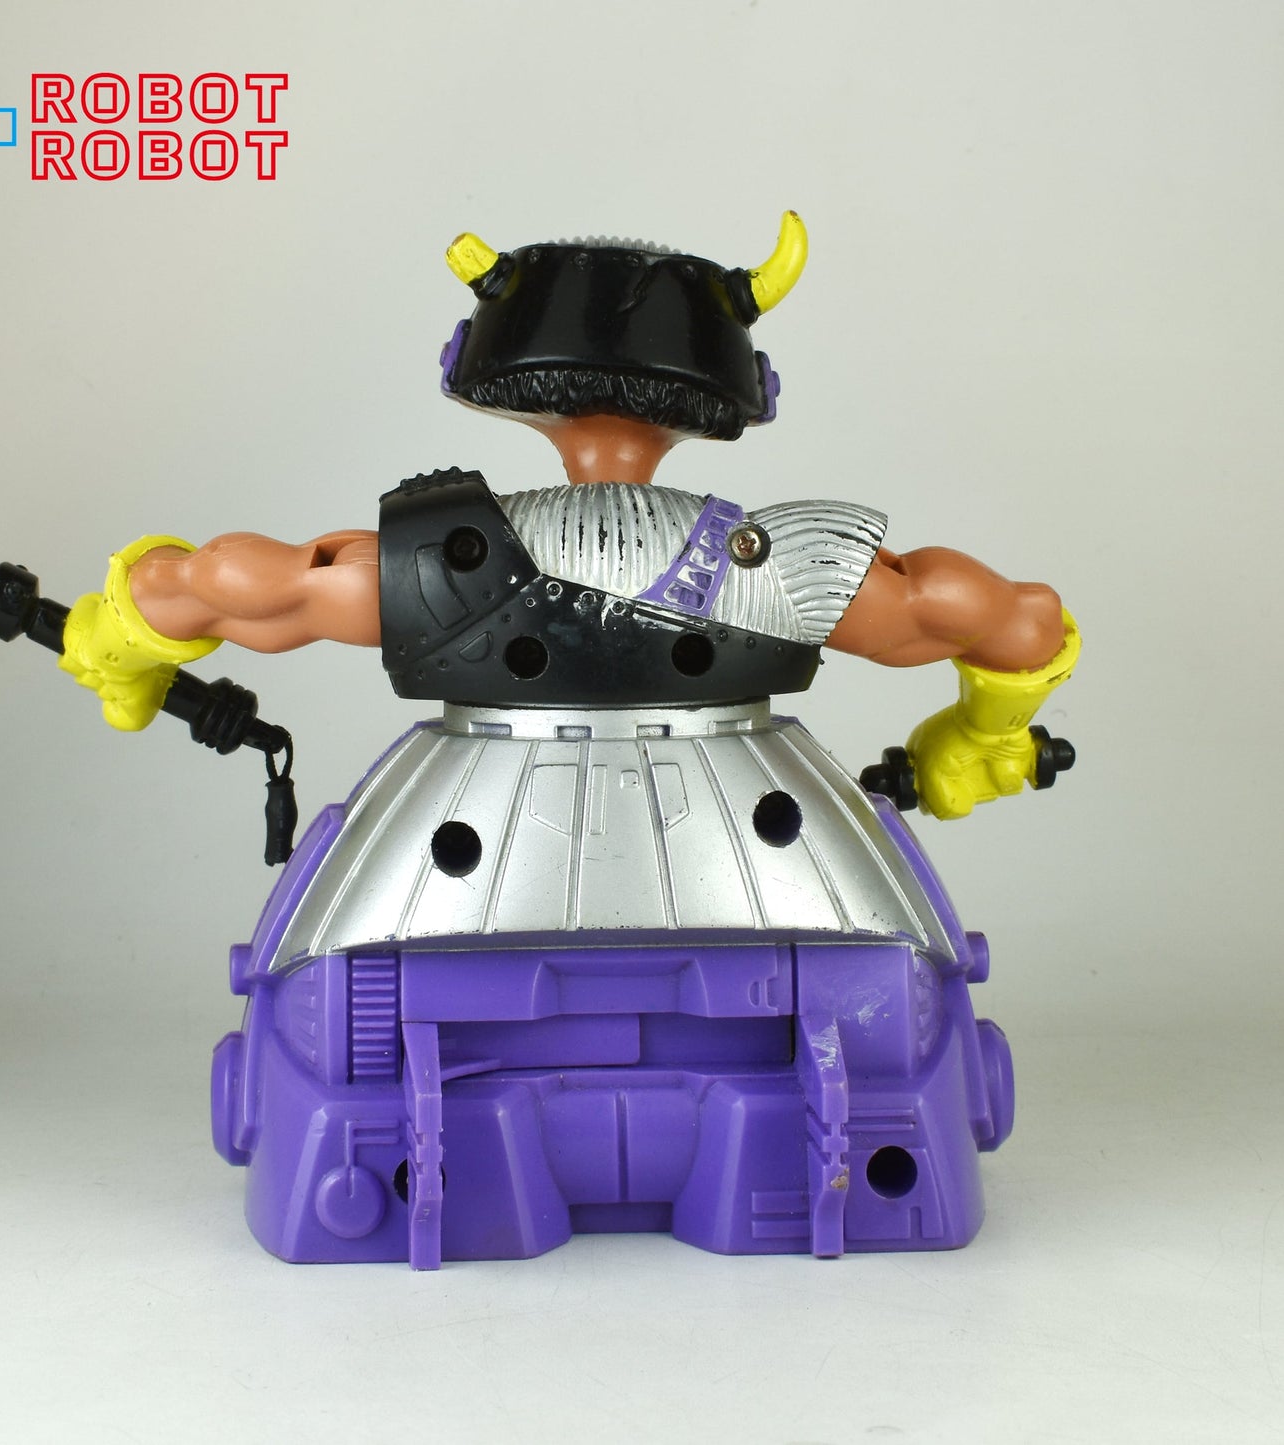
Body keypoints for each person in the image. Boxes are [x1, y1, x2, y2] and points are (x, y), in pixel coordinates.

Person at [52, 214, 1080, 1265]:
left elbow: (232, 584)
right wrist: (976, 736)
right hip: (774, 879)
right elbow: (1010, 619)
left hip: (444, 886)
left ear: (489, 369)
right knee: (882, 1003)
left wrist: (115, 643)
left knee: (340, 1013)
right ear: (735, 386)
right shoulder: (771, 566)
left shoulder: (441, 558)